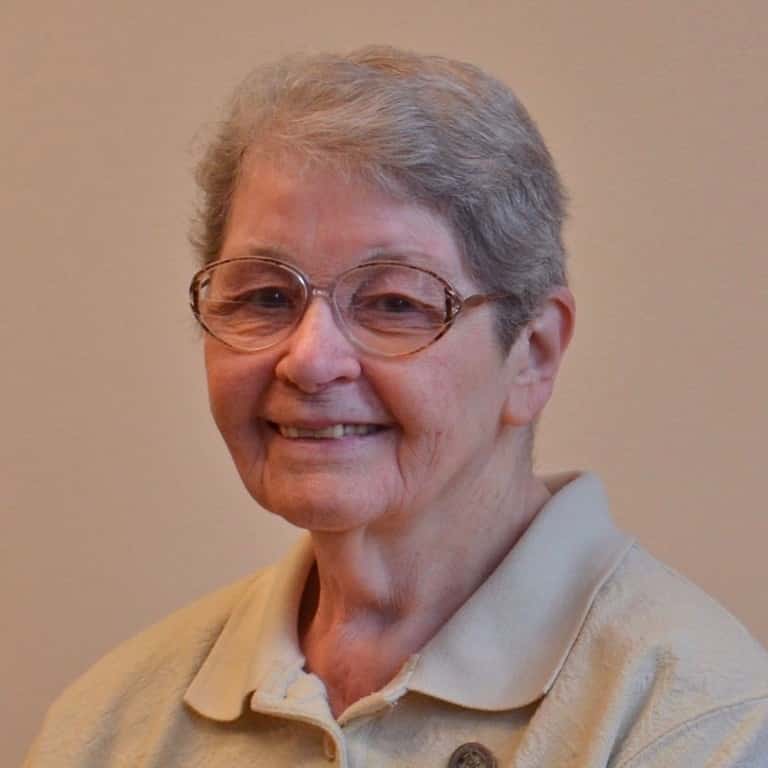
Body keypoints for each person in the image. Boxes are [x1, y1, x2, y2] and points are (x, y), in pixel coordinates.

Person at [24, 46, 768, 768]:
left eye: (394, 303)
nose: (309, 359)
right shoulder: (111, 726)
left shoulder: (696, 719)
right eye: (266, 297)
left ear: (533, 353)